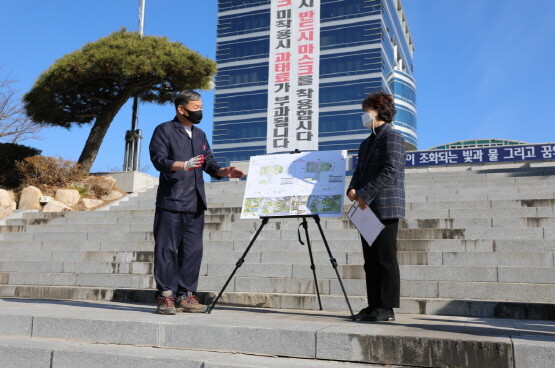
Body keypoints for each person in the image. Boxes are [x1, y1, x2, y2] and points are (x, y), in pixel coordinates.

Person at [149, 90, 244, 315]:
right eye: (195, 108)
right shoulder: (164, 130)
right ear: (182, 109)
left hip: (195, 202)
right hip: (171, 200)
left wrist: (223, 171)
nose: (200, 111)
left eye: (201, 107)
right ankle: (165, 296)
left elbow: (208, 162)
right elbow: (158, 160)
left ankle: (186, 295)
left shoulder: (200, 134)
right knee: (167, 250)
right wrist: (183, 164)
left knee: (192, 252)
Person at [347, 91, 405, 322]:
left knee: (384, 258)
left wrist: (364, 193)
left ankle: (387, 308)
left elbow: (391, 171)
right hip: (365, 209)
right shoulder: (366, 143)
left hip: (386, 206)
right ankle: (373, 305)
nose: (364, 115)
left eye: (367, 110)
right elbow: (358, 172)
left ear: (379, 111)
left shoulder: (392, 137)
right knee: (370, 259)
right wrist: (352, 189)